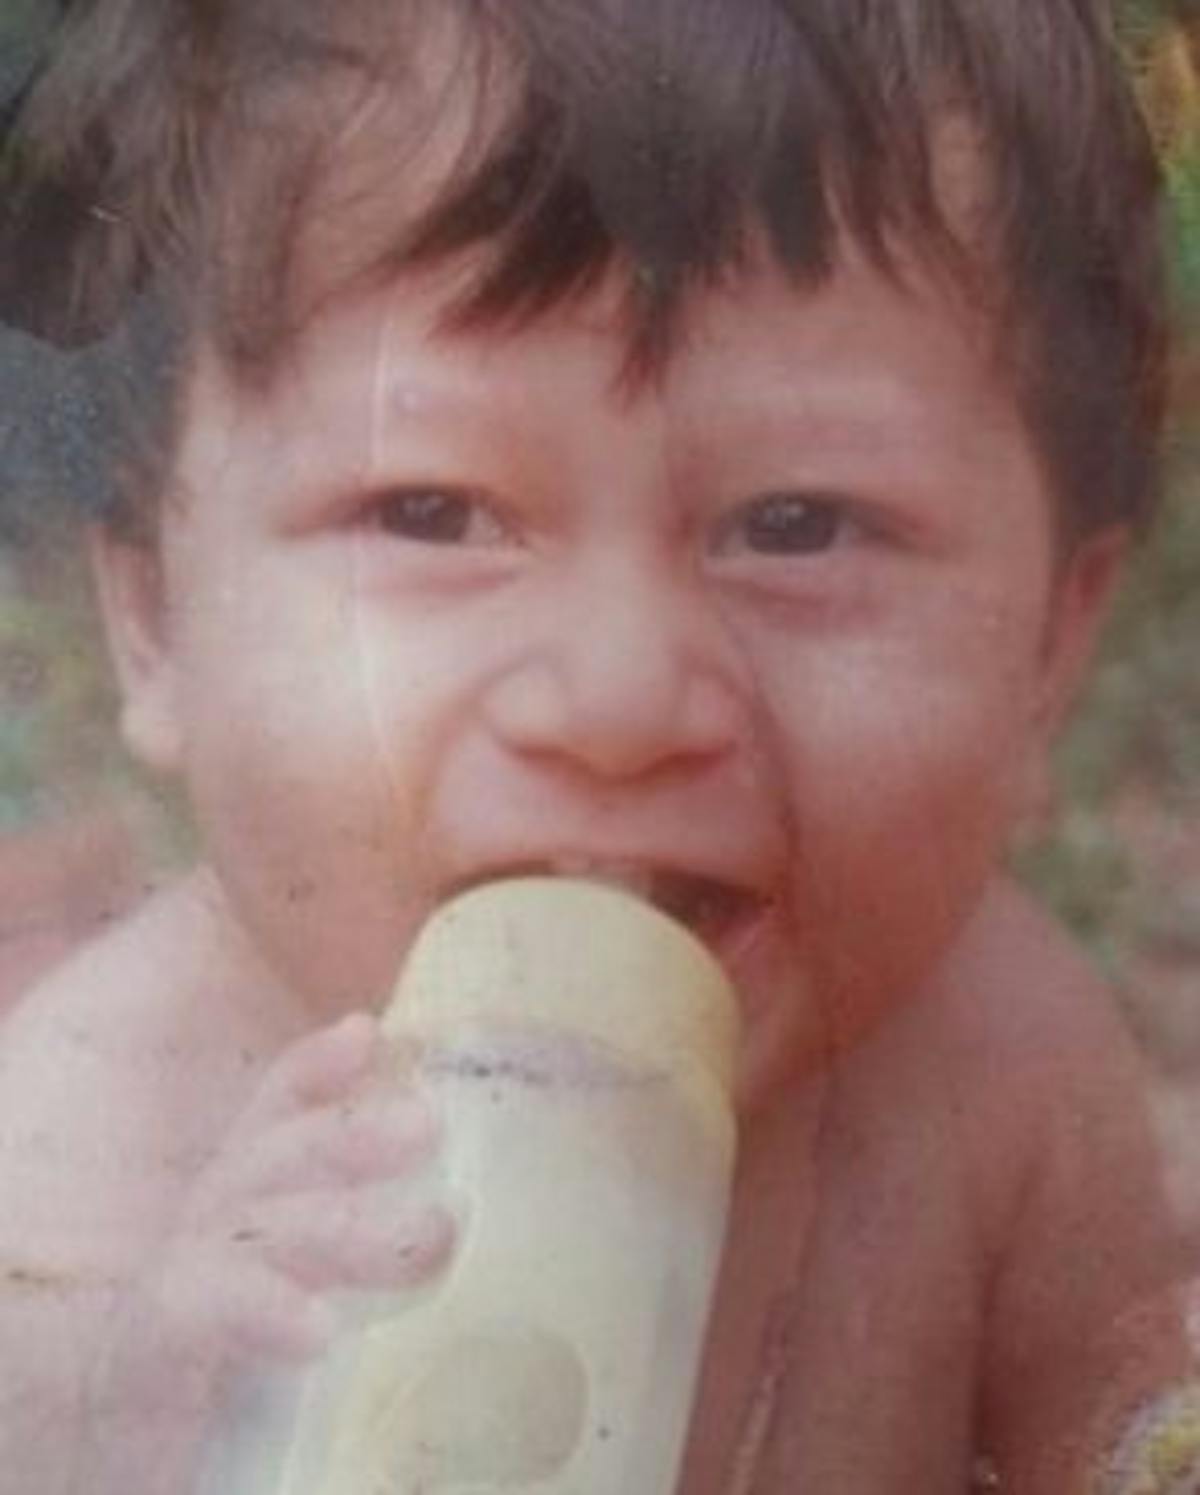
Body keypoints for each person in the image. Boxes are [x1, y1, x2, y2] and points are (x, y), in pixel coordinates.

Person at [0, 0, 1192, 1490]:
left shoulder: (1001, 1072)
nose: (618, 701)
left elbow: (1121, 1415)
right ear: (156, 622)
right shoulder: (114, 1105)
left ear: (1048, 654)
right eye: (430, 511)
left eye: (798, 526)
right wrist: (132, 1394)